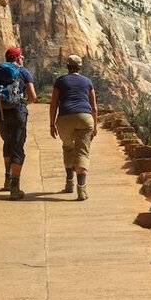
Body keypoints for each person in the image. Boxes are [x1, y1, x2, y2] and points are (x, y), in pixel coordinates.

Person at [0, 47, 37, 200]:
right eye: (20, 55)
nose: (22, 57)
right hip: (17, 112)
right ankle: (15, 188)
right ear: (17, 58)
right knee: (17, 147)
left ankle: (7, 180)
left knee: (7, 142)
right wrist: (23, 103)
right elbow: (33, 96)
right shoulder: (23, 72)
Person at [49, 55, 98, 201]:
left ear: (67, 66)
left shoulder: (61, 81)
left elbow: (54, 104)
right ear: (80, 67)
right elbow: (94, 107)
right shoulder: (87, 81)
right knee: (82, 152)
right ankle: (81, 190)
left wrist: (52, 124)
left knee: (68, 147)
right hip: (85, 118)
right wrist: (95, 125)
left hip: (65, 118)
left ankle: (69, 183)